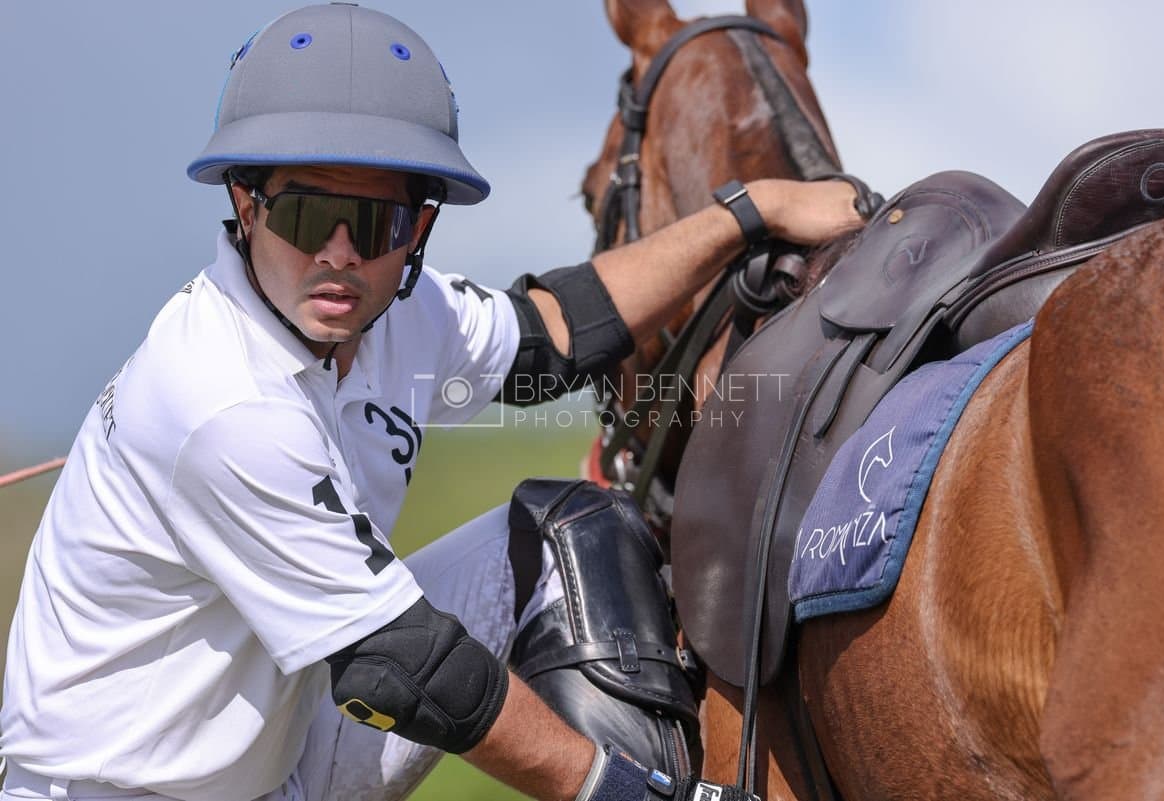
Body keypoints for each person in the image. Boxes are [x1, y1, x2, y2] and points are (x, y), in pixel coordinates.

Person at [0, 5, 863, 801]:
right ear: (243, 201)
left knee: (573, 533)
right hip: (113, 789)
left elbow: (555, 331)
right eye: (306, 216)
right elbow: (398, 663)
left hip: (277, 758)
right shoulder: (218, 404)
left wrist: (746, 213)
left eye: (375, 226)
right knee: (417, 665)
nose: (338, 258)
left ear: (416, 229)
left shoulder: (393, 313)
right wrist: (623, 790)